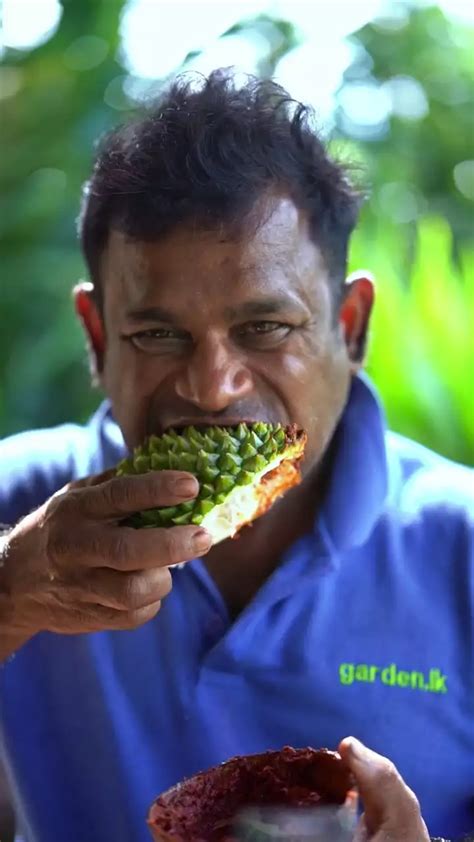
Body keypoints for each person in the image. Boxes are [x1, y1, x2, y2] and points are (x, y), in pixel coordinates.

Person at [0, 70, 472, 842]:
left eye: (265, 329)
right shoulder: (21, 505)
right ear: (96, 336)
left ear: (349, 328)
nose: (213, 389)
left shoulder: (463, 547)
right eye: (157, 335)